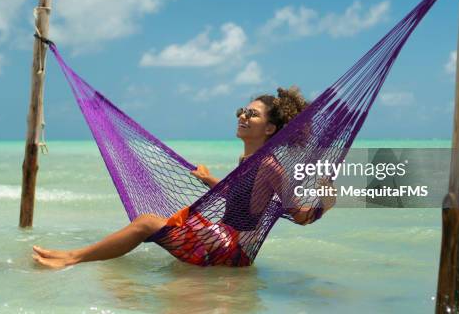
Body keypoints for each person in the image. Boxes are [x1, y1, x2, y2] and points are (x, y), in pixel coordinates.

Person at [32, 86, 335, 268]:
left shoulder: (270, 165)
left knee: (148, 223)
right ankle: (86, 260)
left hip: (233, 252)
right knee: (156, 223)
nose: (243, 116)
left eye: (253, 114)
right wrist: (210, 180)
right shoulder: (249, 159)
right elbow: (242, 200)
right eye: (243, 110)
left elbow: (299, 215)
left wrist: (327, 202)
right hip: (222, 240)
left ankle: (72, 258)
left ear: (270, 129)